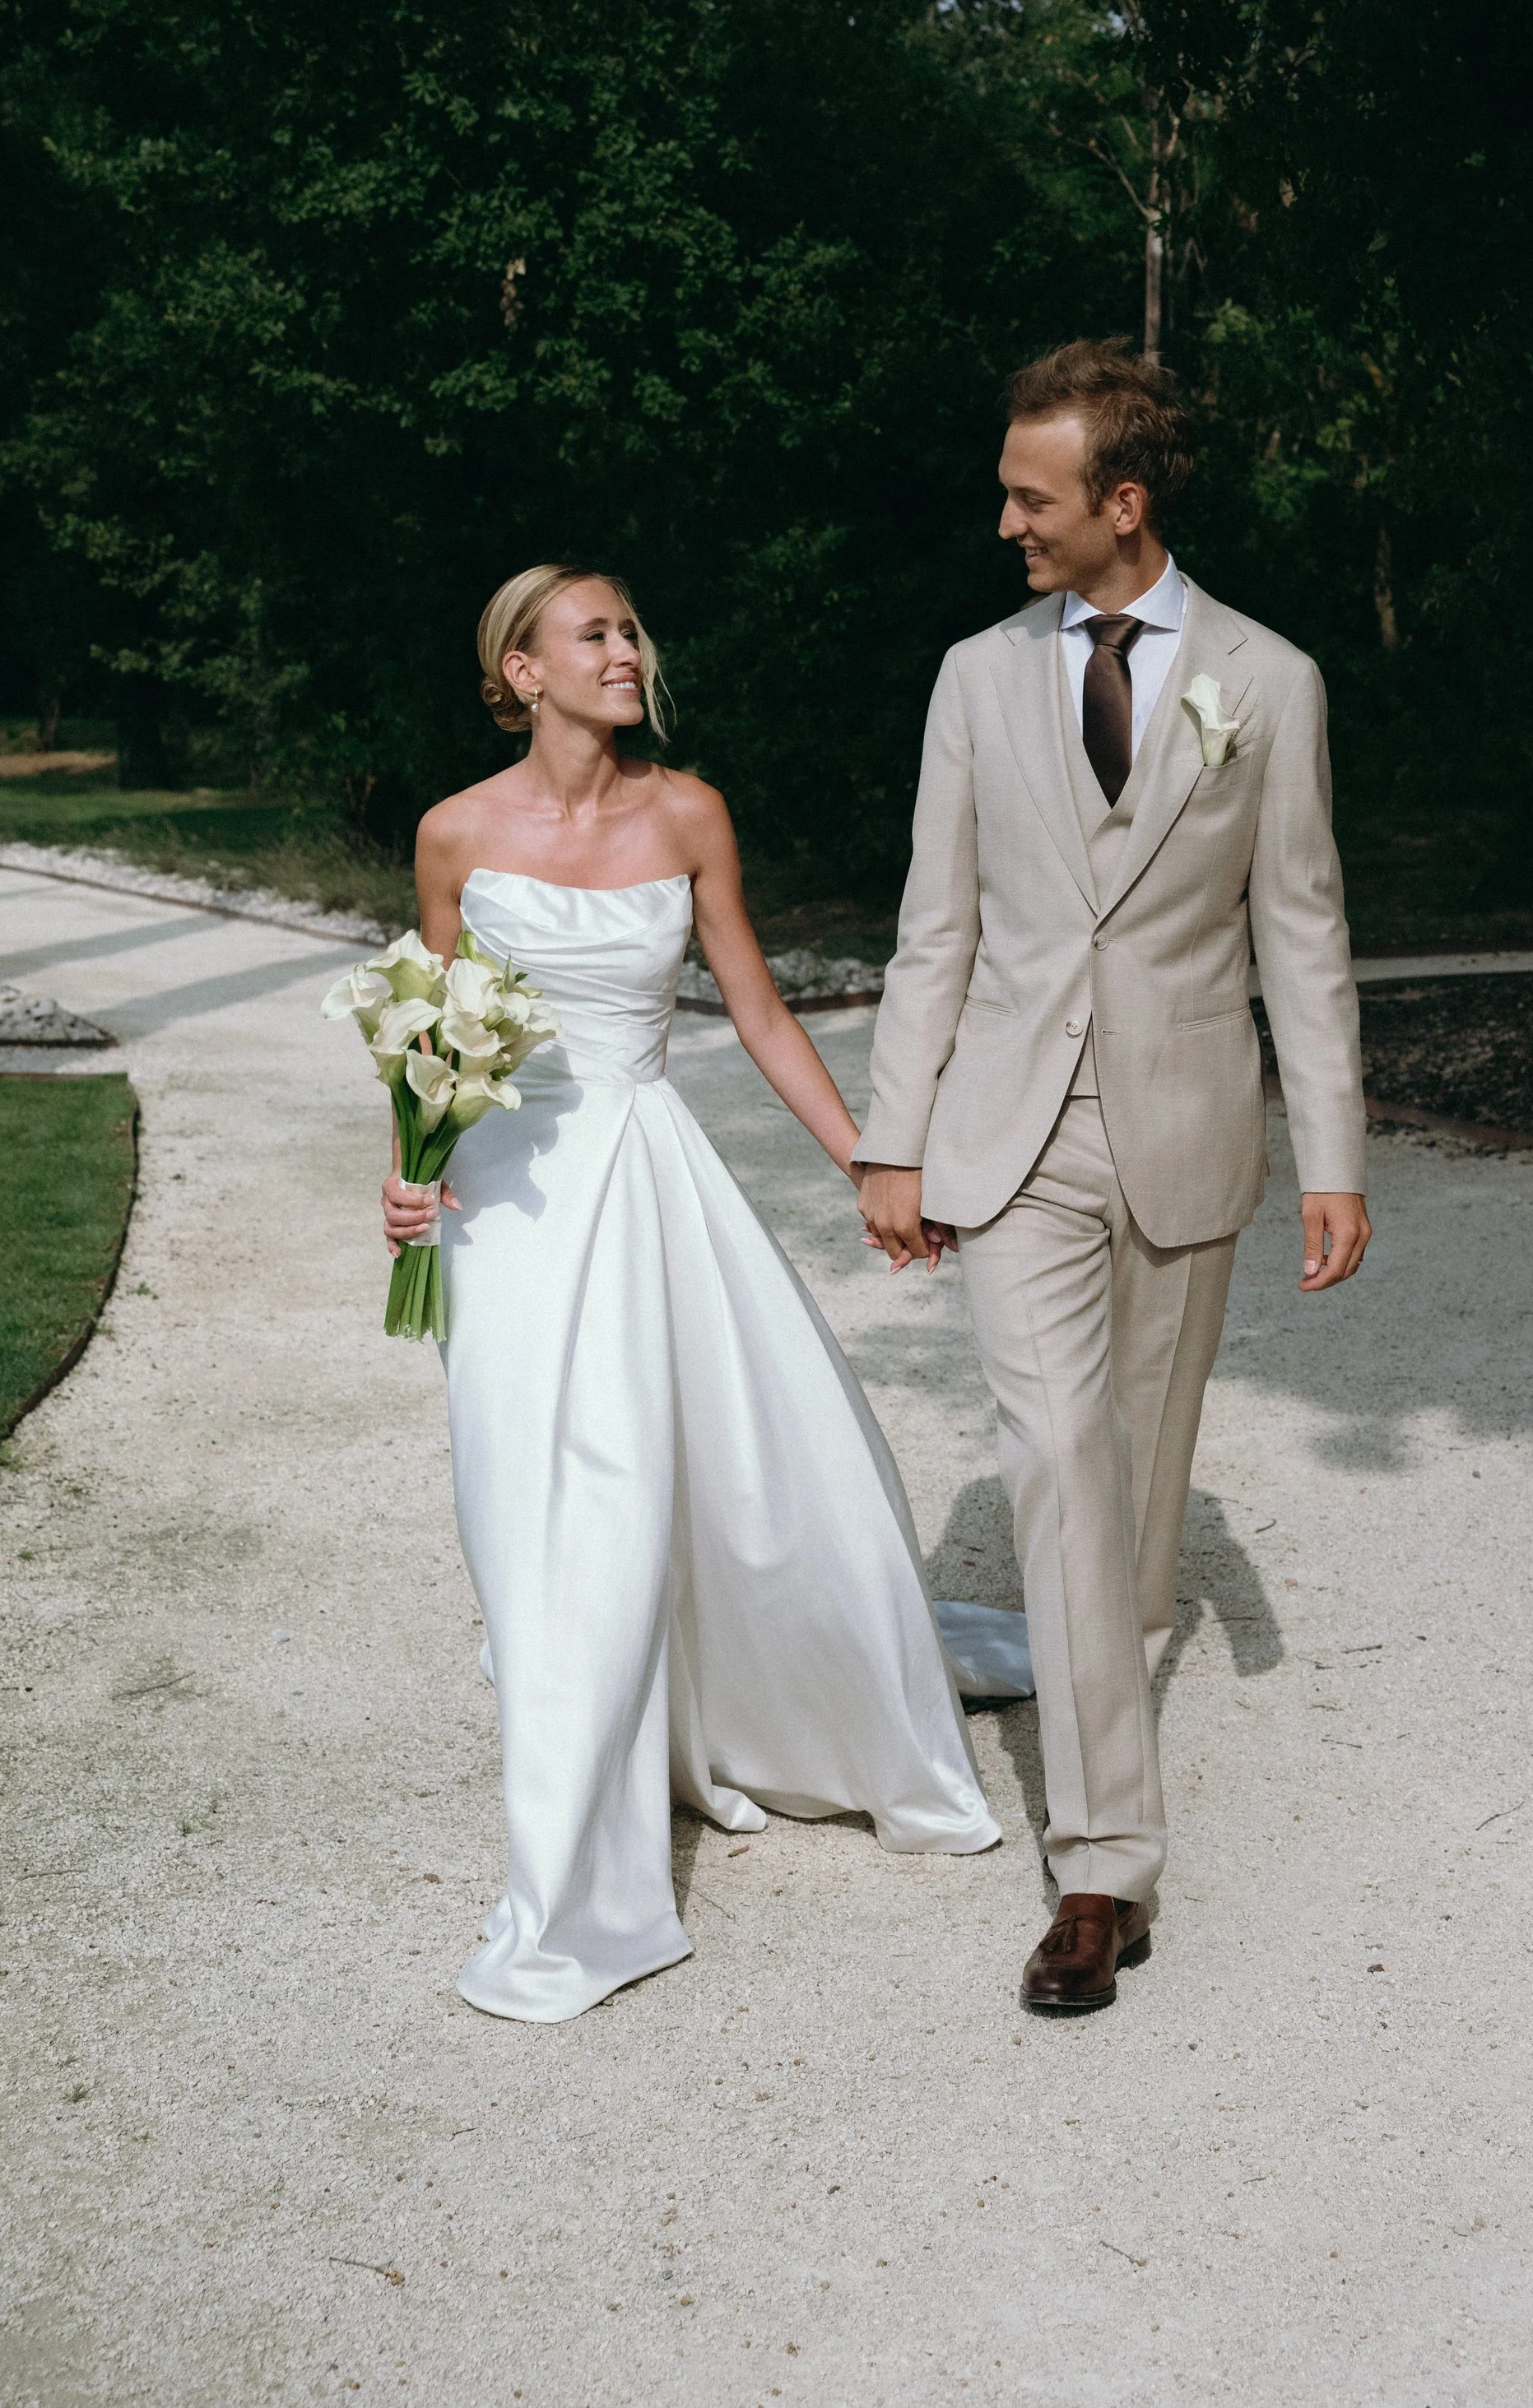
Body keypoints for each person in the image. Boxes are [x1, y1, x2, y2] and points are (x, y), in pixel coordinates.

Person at [379, 564, 997, 2024]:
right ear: (522, 670)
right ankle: (573, 1858)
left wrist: (875, 1165)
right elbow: (429, 1034)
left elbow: (761, 1011)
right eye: (595, 632)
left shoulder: (689, 812)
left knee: (729, 1471)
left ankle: (751, 1706)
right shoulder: (455, 834)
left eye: (632, 629)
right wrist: (406, 1175)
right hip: (507, 1210)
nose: (627, 649)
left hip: (648, 1177)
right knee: (543, 1501)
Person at [857, 341, 1371, 2016]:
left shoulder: (1266, 682)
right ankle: (1102, 1870)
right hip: (1009, 1139)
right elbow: (932, 927)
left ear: (1120, 506)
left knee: (1136, 1469)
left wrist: (1332, 1157)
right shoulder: (966, 676)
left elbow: (1297, 928)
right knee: (1058, 1453)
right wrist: (893, 1136)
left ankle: (1097, 1649)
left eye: (1031, 494)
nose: (1003, 519)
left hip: (1182, 1124)